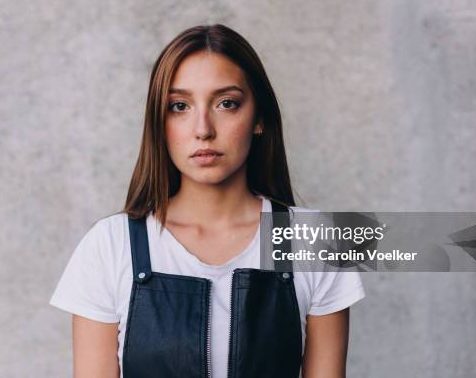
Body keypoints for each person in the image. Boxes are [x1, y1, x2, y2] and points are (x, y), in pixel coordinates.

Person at [50, 24, 365, 378]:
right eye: (179, 106)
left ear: (259, 118)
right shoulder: (110, 246)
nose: (203, 128)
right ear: (159, 122)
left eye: (226, 103)